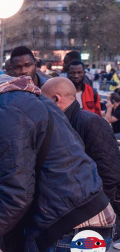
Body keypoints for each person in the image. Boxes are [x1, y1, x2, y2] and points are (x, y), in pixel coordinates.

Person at [0, 57, 113, 252]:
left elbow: (17, 194)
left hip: (68, 227)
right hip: (83, 216)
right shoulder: (23, 97)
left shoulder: (3, 111)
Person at [42, 77, 120, 240]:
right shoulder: (65, 122)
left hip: (90, 221)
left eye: (43, 100)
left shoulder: (90, 122)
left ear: (56, 99)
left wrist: (92, 211)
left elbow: (110, 173)